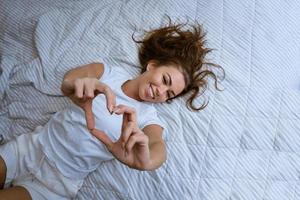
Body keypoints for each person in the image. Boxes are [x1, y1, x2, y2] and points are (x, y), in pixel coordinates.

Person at [0, 18, 224, 200]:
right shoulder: (109, 73)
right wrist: (78, 86)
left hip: (57, 183)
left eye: (169, 94)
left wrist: (146, 161)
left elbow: (157, 147)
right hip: (30, 148)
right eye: (165, 80)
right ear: (152, 65)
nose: (161, 92)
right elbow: (71, 79)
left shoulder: (147, 117)